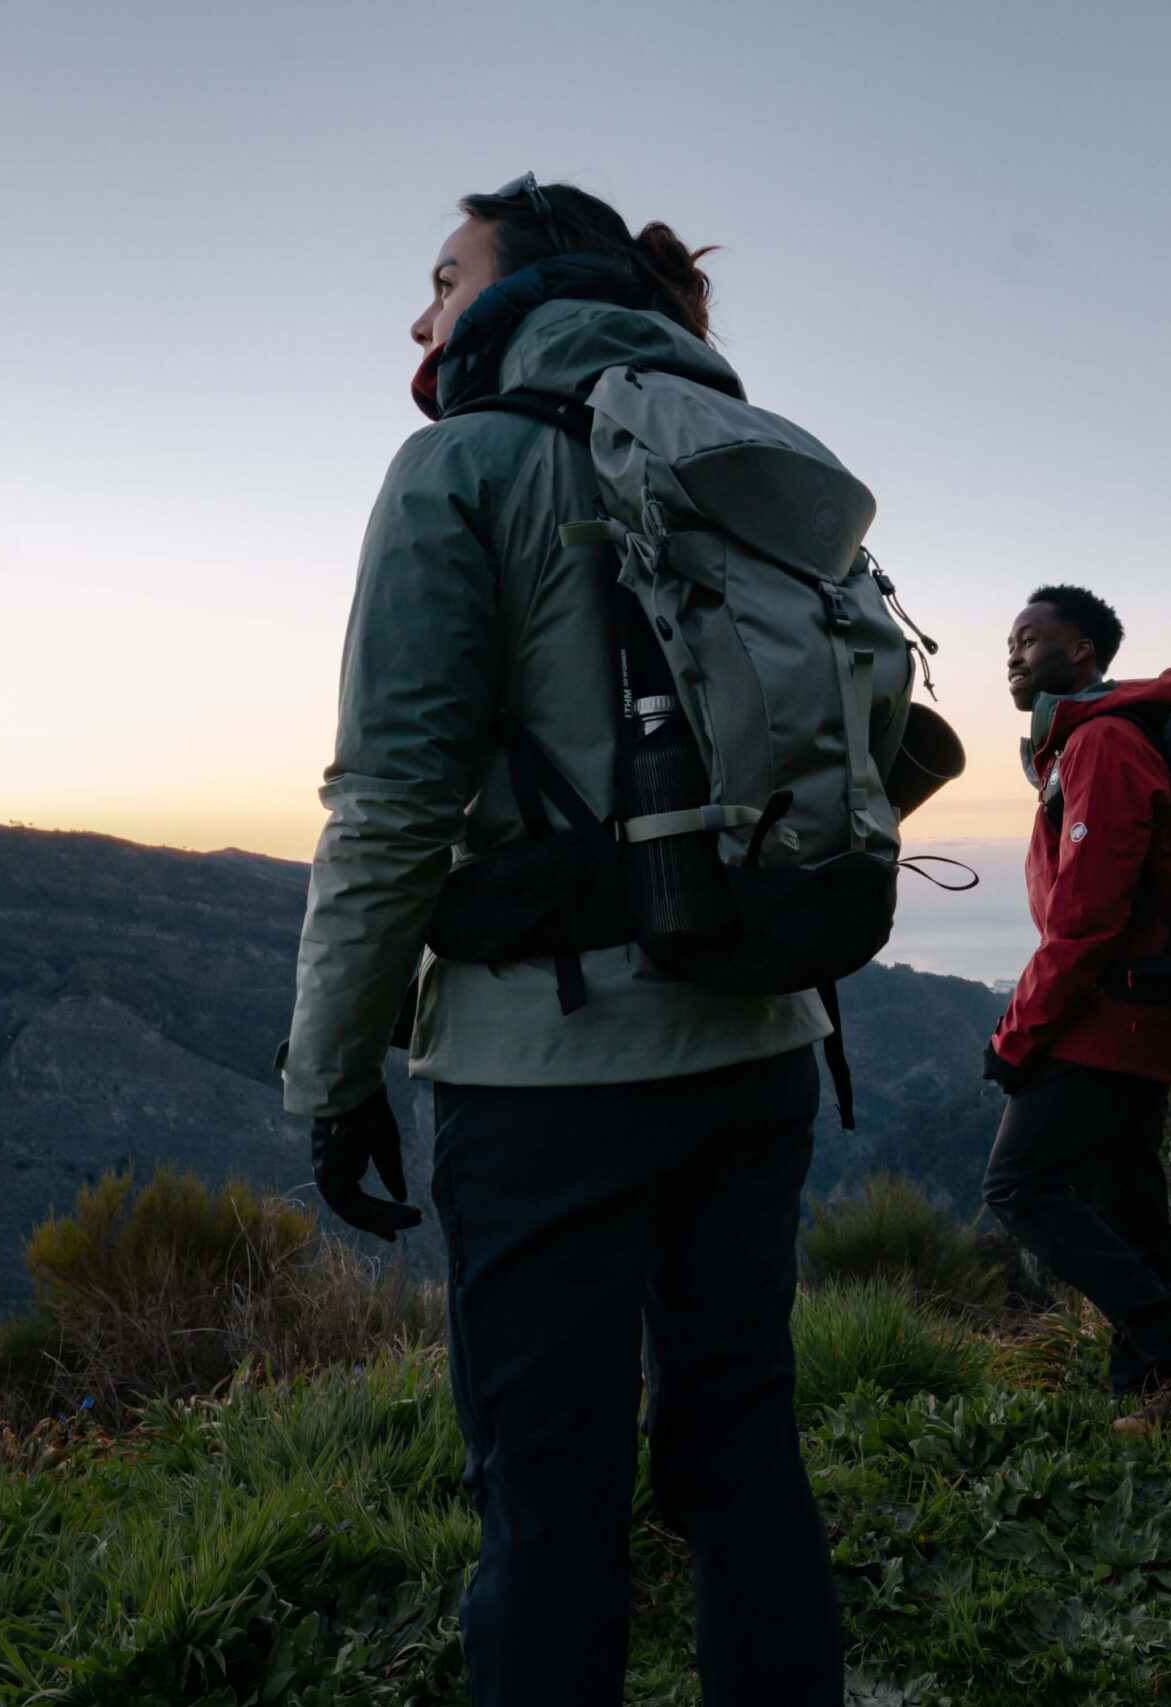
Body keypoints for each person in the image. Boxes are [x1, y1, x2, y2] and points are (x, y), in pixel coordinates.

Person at [280, 176, 842, 1707]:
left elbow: (391, 800)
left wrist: (333, 1074)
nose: (421, 312)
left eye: (445, 275)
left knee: (551, 1501)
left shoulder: (462, 464)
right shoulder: (753, 451)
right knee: (745, 1450)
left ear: (528, 287)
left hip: (553, 1071)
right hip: (766, 1036)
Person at [981, 585, 1171, 1423]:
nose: (1013, 653)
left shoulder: (1103, 740)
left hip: (1117, 1008)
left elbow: (1088, 913)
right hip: (1153, 1004)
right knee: (1126, 1190)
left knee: (1020, 1184)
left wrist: (1016, 1032)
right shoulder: (1101, 737)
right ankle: (1152, 1385)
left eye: (1031, 639)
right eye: (1010, 640)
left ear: (1081, 651)